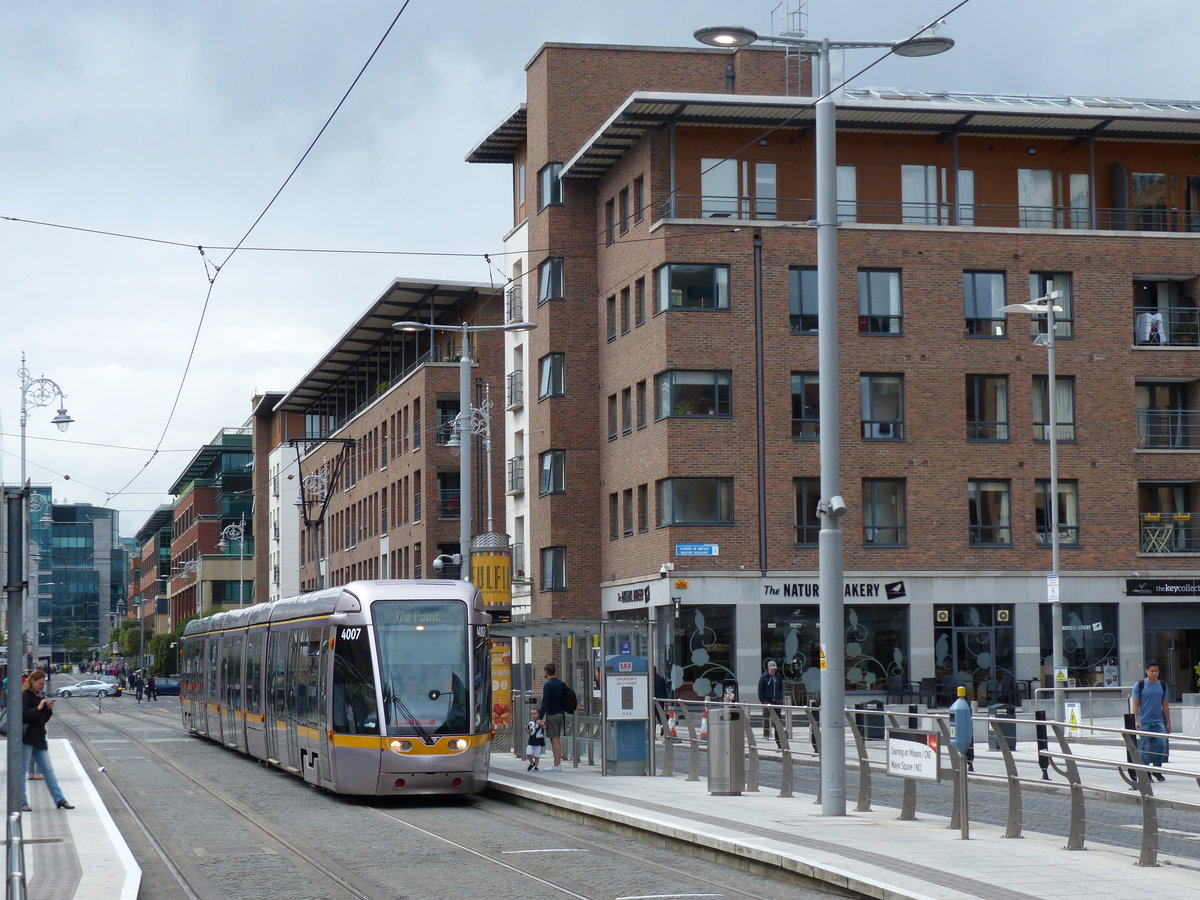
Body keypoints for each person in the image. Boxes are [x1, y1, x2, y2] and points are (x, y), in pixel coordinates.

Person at [21, 671, 74, 811]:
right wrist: (39, 707)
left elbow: (43, 719)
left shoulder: (40, 696)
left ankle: (60, 799)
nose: (41, 686)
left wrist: (48, 709)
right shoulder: (25, 695)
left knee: (48, 770)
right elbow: (23, 715)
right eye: (40, 683)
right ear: (32, 681)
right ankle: (22, 801)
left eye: (43, 684)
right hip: (26, 737)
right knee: (22, 770)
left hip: (38, 737)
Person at [1131, 660, 1172, 782]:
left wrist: (1169, 722)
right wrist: (1136, 720)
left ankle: (1157, 770)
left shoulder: (1162, 685)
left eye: (1157, 671)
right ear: (1146, 671)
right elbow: (1135, 704)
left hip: (1158, 721)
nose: (1155, 673)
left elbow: (1165, 705)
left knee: (1162, 745)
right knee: (1146, 748)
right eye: (1152, 671)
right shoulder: (1139, 685)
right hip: (1144, 722)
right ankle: (1146, 773)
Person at [538, 663, 565, 772]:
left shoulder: (548, 685)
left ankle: (556, 765)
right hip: (560, 713)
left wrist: (540, 717)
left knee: (554, 739)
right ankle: (557, 764)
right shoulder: (560, 683)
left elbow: (545, 702)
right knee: (557, 738)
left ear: (546, 671)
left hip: (552, 714)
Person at [757, 659, 784, 745]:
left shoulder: (778, 677)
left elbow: (781, 688)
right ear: (768, 668)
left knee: (778, 719)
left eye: (774, 669)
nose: (773, 671)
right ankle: (766, 734)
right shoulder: (763, 677)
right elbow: (760, 689)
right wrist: (763, 700)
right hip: (767, 701)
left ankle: (778, 734)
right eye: (772, 669)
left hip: (776, 701)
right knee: (766, 718)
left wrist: (780, 698)